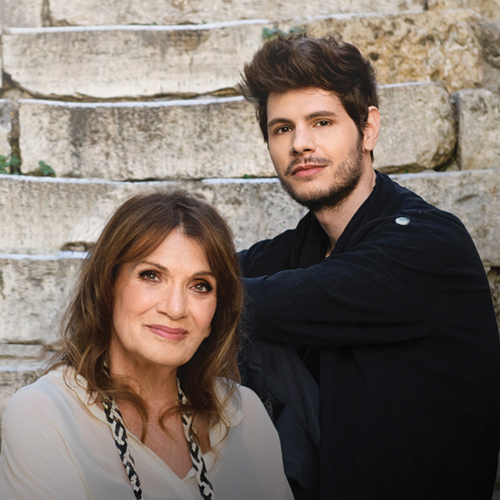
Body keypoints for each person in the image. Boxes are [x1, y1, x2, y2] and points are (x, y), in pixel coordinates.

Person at [237, 33, 500, 500]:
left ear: (369, 128)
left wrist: (182, 293)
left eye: (321, 122)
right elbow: (206, 271)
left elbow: (255, 297)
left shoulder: (429, 243)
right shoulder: (300, 247)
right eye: (282, 129)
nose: (300, 144)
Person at [0, 191, 293, 500]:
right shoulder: (45, 415)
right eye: (151, 276)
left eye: (200, 286)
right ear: (107, 287)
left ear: (215, 315)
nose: (175, 308)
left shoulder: (245, 414)